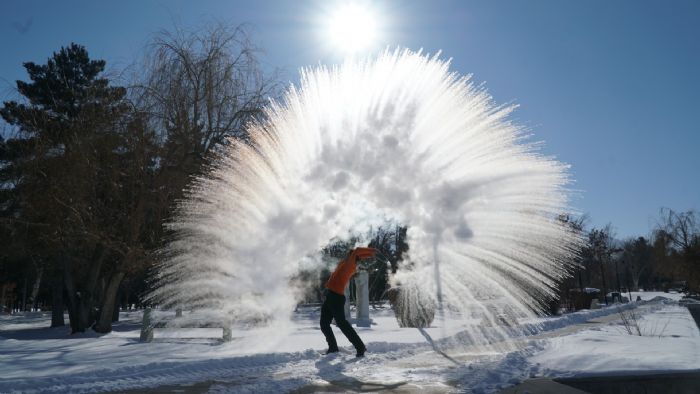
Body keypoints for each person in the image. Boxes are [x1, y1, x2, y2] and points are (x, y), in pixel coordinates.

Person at [320, 247, 377, 357]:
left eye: (350, 254)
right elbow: (357, 254)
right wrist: (368, 255)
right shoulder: (344, 262)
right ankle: (333, 348)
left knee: (342, 324)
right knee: (324, 324)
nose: (347, 255)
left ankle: (360, 346)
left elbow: (357, 251)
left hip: (336, 298)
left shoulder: (350, 265)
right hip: (330, 296)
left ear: (353, 257)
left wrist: (371, 251)